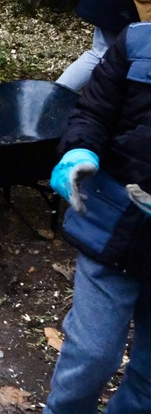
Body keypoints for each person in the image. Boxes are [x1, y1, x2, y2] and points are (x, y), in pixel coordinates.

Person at [45, 21, 151, 412]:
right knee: (92, 354)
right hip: (113, 228)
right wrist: (79, 150)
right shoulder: (137, 44)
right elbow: (93, 112)